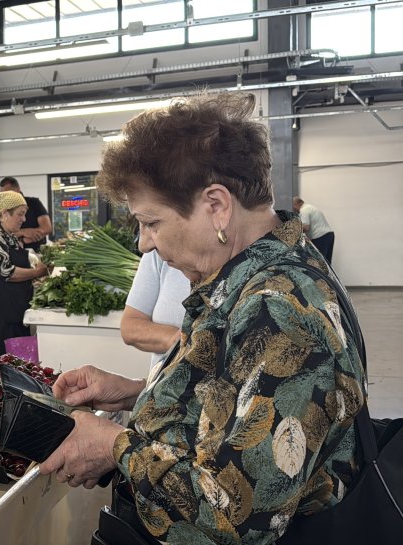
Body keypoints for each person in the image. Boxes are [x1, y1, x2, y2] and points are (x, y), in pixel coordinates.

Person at [38, 93, 365, 544]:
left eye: (151, 222)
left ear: (217, 206)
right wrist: (137, 393)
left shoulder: (279, 309)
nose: (143, 244)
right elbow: (236, 396)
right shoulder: (258, 272)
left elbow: (236, 518)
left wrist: (114, 445)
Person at [0, 191, 49, 355]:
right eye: (20, 214)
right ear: (5, 213)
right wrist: (37, 272)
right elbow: (6, 272)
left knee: (18, 360)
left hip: (13, 308)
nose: (24, 219)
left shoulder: (9, 237)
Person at [120, 250, 191, 370]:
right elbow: (129, 327)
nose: (142, 246)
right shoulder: (157, 250)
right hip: (161, 384)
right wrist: (177, 341)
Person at [0, 176, 51, 252]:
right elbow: (1, 234)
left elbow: (47, 228)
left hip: (37, 251)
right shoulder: (3, 209)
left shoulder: (34, 203)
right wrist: (22, 232)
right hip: (14, 253)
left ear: (18, 190)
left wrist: (26, 237)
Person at [293, 196, 335, 263]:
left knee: (319, 263)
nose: (293, 209)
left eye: (293, 206)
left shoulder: (304, 210)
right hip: (329, 235)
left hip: (320, 237)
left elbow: (306, 227)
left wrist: (294, 232)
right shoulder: (310, 207)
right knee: (326, 263)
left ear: (296, 204)